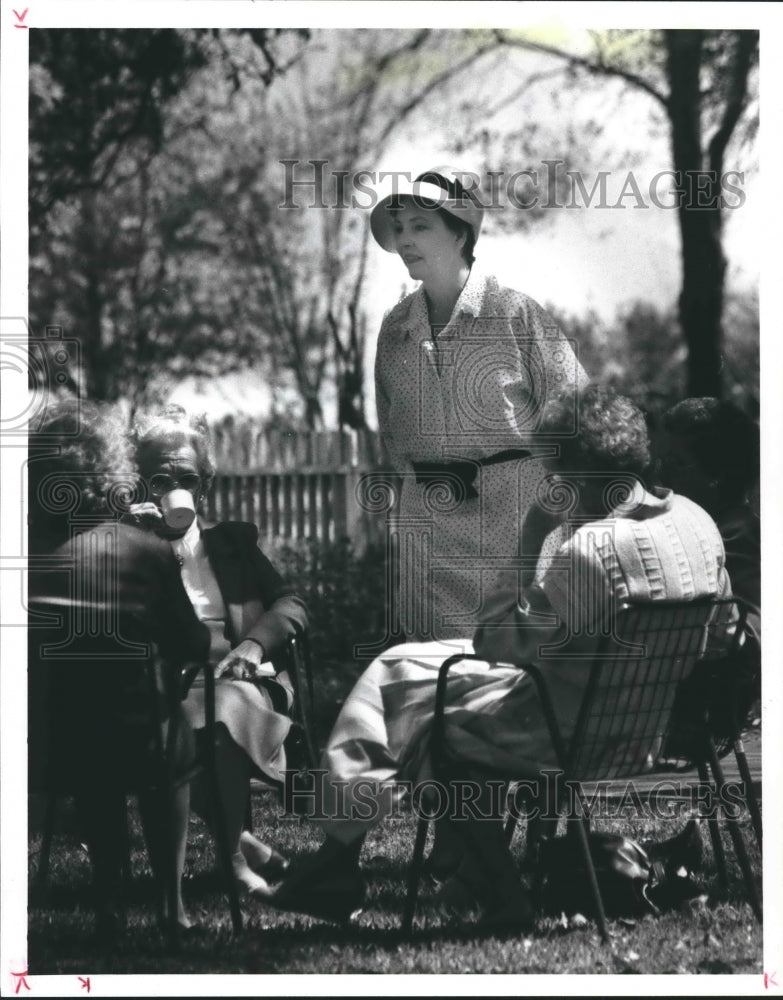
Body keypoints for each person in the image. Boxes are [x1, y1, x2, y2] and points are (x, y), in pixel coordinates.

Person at [266, 386, 732, 928]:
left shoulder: (594, 552)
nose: (550, 484)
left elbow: (494, 642)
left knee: (435, 732)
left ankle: (453, 885)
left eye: (553, 471)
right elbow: (720, 632)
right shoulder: (697, 523)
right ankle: (359, 866)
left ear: (577, 473)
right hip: (642, 726)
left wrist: (532, 535)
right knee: (402, 666)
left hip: (562, 733)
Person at [370, 165, 589, 644]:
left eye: (421, 226)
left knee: (509, 661)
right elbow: (392, 434)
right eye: (400, 228)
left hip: (513, 525)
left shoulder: (513, 314)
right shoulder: (395, 329)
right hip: (428, 529)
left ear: (460, 233)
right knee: (434, 669)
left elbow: (577, 415)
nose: (405, 240)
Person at [28, 399, 209, 935]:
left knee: (91, 746)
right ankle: (171, 904)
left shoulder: (24, 554)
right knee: (169, 736)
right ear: (113, 468)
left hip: (50, 750)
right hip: (143, 747)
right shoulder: (141, 550)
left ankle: (110, 898)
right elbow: (194, 642)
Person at [128, 405, 309, 898]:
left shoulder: (231, 543)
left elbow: (291, 604)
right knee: (180, 716)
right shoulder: (121, 545)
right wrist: (135, 545)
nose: (172, 490)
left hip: (241, 680)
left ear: (204, 486)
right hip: (162, 687)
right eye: (158, 478)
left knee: (220, 706)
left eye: (185, 478)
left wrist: (253, 644)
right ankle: (240, 848)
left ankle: (232, 857)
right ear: (139, 483)